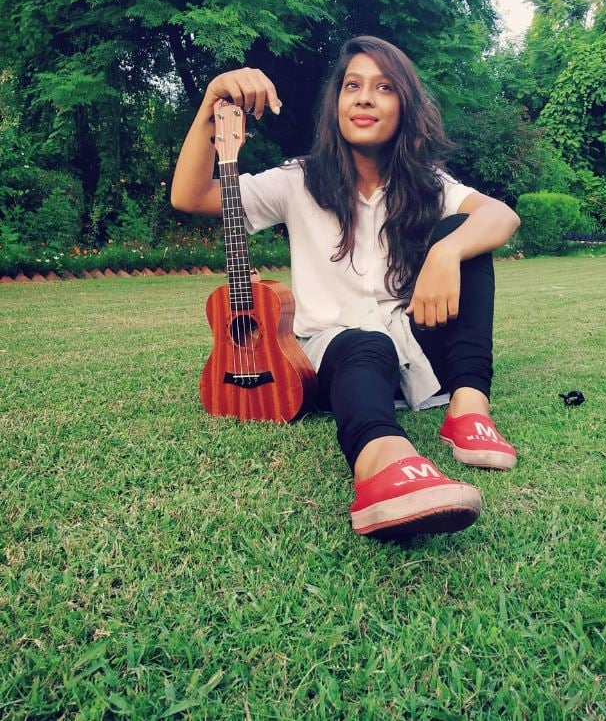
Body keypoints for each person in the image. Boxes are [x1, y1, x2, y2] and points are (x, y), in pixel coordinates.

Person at [171, 36, 520, 541]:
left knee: (465, 235)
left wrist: (446, 252)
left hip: (422, 353)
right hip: (339, 356)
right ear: (335, 104)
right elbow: (191, 196)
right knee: (363, 342)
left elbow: (501, 215)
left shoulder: (429, 183)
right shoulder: (298, 180)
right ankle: (384, 461)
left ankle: (469, 412)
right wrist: (209, 103)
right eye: (352, 86)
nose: (363, 97)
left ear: (405, 106)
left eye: (382, 87)